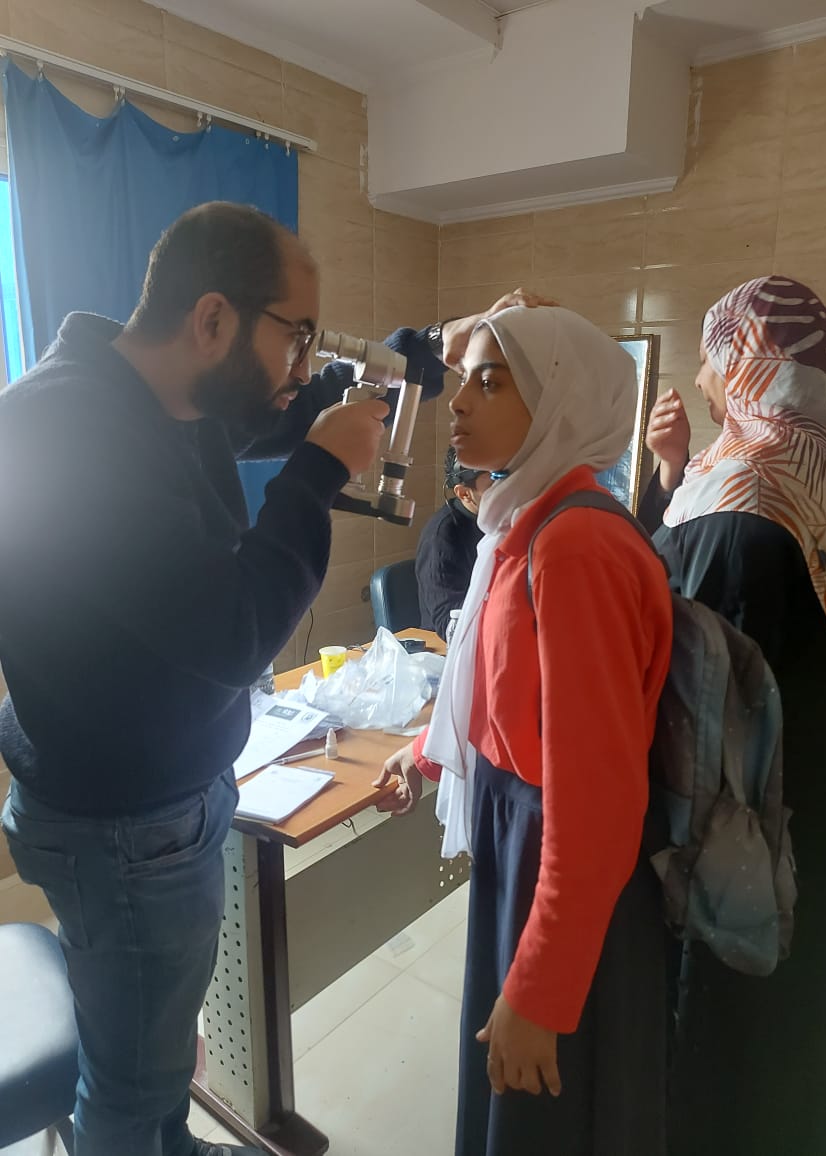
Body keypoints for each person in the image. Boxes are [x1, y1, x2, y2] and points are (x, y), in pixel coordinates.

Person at [0, 201, 528, 1156]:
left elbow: (276, 408)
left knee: (155, 1046)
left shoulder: (163, 398)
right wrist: (318, 470)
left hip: (163, 795)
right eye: (297, 336)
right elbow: (235, 630)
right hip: (119, 823)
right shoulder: (66, 428)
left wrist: (409, 353)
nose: (303, 366)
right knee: (128, 1080)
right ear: (212, 319)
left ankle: (168, 1140)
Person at [375, 305, 674, 1155]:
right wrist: (428, 753)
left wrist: (542, 988)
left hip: (558, 852)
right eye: (463, 378)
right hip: (521, 831)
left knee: (546, 1104)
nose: (459, 401)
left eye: (492, 381)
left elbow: (598, 795)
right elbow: (501, 686)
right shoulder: (523, 518)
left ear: (559, 403)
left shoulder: (573, 543)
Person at [642, 276, 826, 1156]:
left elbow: (673, 642)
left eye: (711, 357)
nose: (702, 378)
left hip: (731, 821)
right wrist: (673, 473)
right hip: (805, 794)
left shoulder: (740, 499)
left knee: (722, 1005)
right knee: (791, 978)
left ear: (747, 360)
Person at [415, 446, 491, 640]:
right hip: (447, 647)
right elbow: (449, 623)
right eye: (494, 482)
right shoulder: (442, 537)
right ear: (464, 493)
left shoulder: (501, 522)